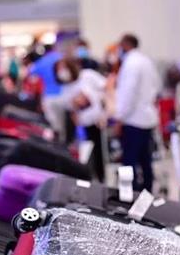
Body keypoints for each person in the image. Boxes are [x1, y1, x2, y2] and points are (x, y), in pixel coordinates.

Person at [114, 34, 161, 192]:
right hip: (147, 118)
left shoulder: (131, 63)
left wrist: (120, 118)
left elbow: (129, 93)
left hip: (133, 119)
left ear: (125, 45)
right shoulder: (146, 61)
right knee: (145, 160)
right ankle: (148, 191)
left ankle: (129, 195)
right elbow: (155, 87)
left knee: (129, 162)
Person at [59, 61, 108, 181]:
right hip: (83, 125)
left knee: (100, 152)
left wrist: (104, 112)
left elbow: (105, 87)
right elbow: (71, 110)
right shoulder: (66, 88)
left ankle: (102, 177)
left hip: (98, 121)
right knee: (86, 154)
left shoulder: (87, 75)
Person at [29, 42, 66, 140]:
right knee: (65, 123)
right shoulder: (61, 57)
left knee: (53, 125)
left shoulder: (42, 61)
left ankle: (57, 145)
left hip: (49, 96)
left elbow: (31, 72)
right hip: (64, 94)